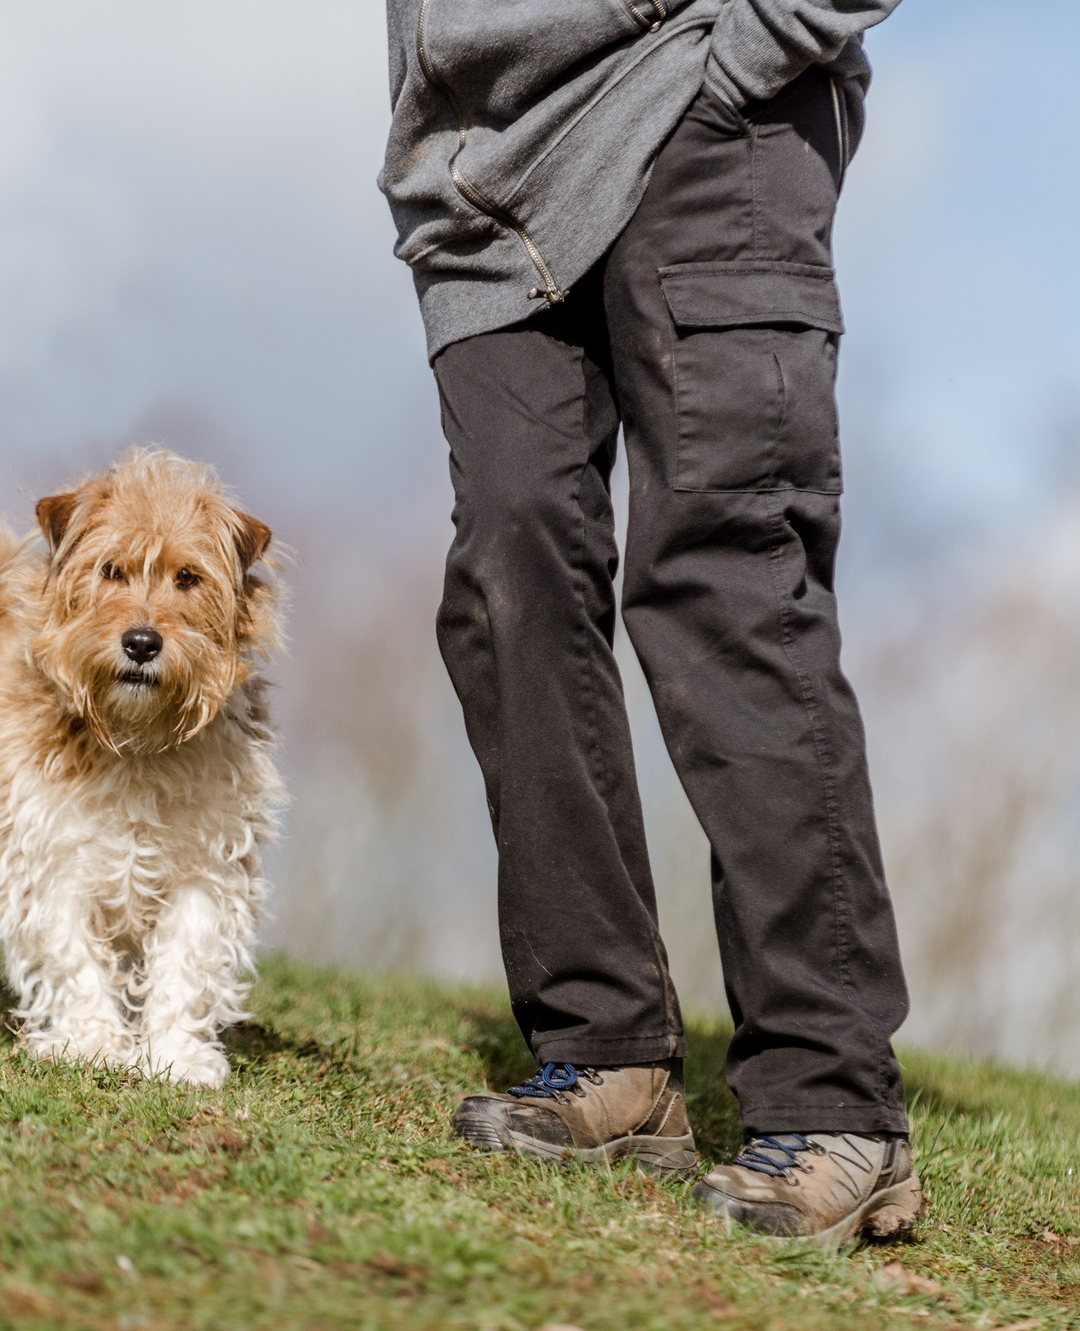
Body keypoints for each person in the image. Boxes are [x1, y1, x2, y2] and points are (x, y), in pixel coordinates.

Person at [377, 0, 922, 1242]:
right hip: (476, 180)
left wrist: (747, 50)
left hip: (690, 102)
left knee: (721, 580)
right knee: (508, 581)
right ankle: (606, 1046)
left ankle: (834, 1097)